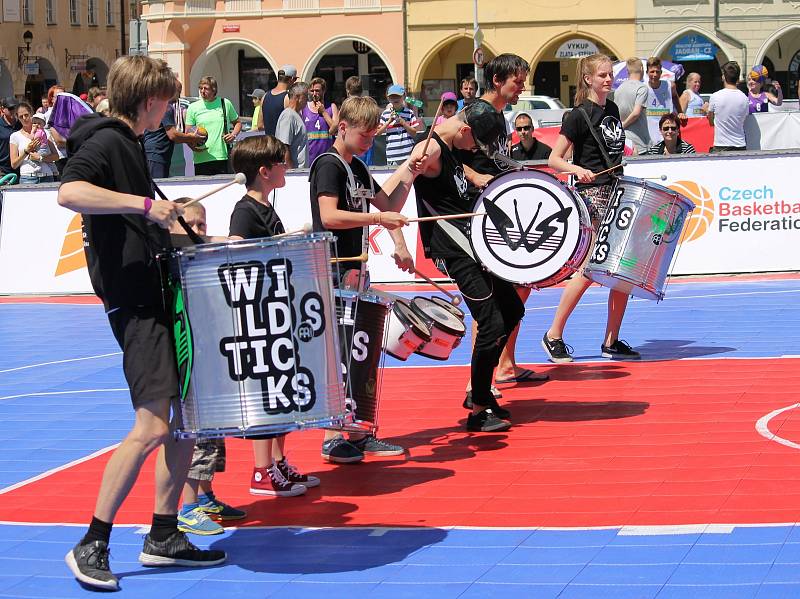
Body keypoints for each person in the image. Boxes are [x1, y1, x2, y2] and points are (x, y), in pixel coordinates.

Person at [58, 55, 226, 592]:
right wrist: (145, 204)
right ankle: (92, 541)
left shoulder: (131, 148)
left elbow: (148, 230)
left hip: (156, 297)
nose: (171, 108)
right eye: (168, 99)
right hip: (134, 305)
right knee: (153, 425)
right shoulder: (109, 142)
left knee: (182, 423)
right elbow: (69, 192)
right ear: (151, 100)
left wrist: (221, 244)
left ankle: (163, 533)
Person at [310, 95, 422, 463]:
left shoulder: (357, 167)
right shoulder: (328, 165)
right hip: (333, 268)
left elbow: (388, 205)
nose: (370, 141)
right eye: (365, 135)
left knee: (360, 349)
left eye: (374, 135)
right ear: (343, 127)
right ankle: (331, 436)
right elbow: (329, 215)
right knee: (339, 352)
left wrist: (410, 170)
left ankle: (357, 429)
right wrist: (380, 222)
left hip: (356, 269)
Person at [411, 100, 524, 432]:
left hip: (475, 246)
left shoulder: (451, 147)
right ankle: (477, 408)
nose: (474, 148)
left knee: (513, 310)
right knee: (490, 323)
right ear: (464, 130)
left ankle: (480, 390)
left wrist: (479, 177)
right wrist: (415, 161)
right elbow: (413, 168)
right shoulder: (431, 147)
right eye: (474, 142)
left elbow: (460, 170)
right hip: (456, 250)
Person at [228, 135, 318, 496]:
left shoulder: (266, 208)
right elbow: (238, 250)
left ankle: (278, 461)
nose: (286, 167)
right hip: (261, 316)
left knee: (284, 390)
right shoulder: (245, 210)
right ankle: (260, 469)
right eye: (281, 163)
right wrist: (290, 239)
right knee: (269, 391)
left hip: (279, 309)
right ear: (264, 171)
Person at [455, 54, 548, 399]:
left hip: (492, 211)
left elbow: (490, 159)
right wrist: (476, 175)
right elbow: (447, 157)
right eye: (517, 80)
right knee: (489, 301)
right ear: (497, 80)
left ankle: (503, 366)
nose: (522, 86)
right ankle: (478, 381)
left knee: (514, 292)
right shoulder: (478, 114)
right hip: (476, 217)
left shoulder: (496, 115)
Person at [543, 53, 640, 364]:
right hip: (592, 194)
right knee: (590, 268)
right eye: (602, 75)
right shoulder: (577, 115)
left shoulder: (611, 109)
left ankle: (611, 340)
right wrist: (576, 169)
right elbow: (554, 159)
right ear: (588, 79)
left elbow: (608, 145)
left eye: (610, 74)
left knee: (622, 268)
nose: (608, 79)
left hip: (617, 189)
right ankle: (553, 334)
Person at [144, 79, 202, 179]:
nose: (179, 95)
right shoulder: (166, 107)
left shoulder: (156, 104)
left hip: (152, 154)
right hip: (157, 155)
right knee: (158, 187)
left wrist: (188, 140)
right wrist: (191, 138)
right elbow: (173, 135)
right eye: (178, 91)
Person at [186, 76, 241, 175]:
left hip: (221, 156)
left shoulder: (225, 103)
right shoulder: (193, 107)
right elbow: (188, 132)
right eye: (200, 88)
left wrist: (233, 135)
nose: (202, 91)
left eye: (206, 88)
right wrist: (192, 145)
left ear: (214, 90)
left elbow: (237, 122)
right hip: (201, 157)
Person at [9, 102, 58, 184]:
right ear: (17, 118)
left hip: (47, 176)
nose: (24, 118)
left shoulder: (45, 132)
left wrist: (40, 158)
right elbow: (14, 164)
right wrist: (26, 151)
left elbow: (56, 156)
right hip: (28, 178)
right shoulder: (15, 136)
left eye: (26, 115)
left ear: (31, 114)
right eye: (21, 117)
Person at [707, 61, 749, 153]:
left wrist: (707, 111)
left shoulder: (715, 96)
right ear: (737, 78)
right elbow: (743, 120)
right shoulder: (745, 98)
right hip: (740, 145)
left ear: (723, 77)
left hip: (721, 145)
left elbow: (711, 122)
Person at [377, 84, 423, 166]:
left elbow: (414, 133)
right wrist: (389, 121)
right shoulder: (385, 114)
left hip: (408, 154)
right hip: (392, 156)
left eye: (398, 96)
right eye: (392, 97)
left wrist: (403, 123)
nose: (395, 99)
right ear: (388, 98)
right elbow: (378, 133)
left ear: (403, 97)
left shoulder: (409, 113)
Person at [615, 57, 651, 154]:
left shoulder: (619, 89)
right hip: (640, 141)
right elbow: (636, 113)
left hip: (624, 141)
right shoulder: (642, 87)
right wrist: (624, 125)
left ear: (627, 71)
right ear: (642, 69)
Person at [304, 77, 339, 164]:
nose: (314, 94)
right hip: (309, 158)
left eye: (317, 90)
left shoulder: (331, 107)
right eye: (312, 91)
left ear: (324, 91)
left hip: (328, 156)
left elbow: (335, 130)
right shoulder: (304, 108)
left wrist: (324, 112)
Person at [275, 81, 309, 168]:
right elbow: (284, 147)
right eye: (306, 96)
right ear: (298, 97)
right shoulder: (289, 116)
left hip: (300, 172)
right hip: (295, 174)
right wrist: (291, 173)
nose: (307, 100)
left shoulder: (296, 115)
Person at [645, 57, 685, 122]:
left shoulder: (670, 86)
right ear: (647, 72)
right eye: (652, 72)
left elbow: (675, 97)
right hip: (648, 127)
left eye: (657, 72)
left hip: (667, 127)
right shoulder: (642, 87)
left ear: (661, 72)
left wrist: (680, 112)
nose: (655, 75)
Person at [345, 75, 374, 166]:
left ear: (347, 91)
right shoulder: (369, 105)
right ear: (361, 91)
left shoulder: (345, 107)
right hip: (366, 149)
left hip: (352, 150)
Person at [262, 65, 297, 136]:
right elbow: (294, 125)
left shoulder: (265, 96)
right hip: (282, 144)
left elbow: (260, 125)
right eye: (295, 79)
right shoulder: (288, 98)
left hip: (268, 143)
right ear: (291, 79)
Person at [0, 97, 21, 179]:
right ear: (2, 109)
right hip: (3, 171)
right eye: (11, 108)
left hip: (21, 170)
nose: (14, 111)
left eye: (16, 108)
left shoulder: (21, 124)